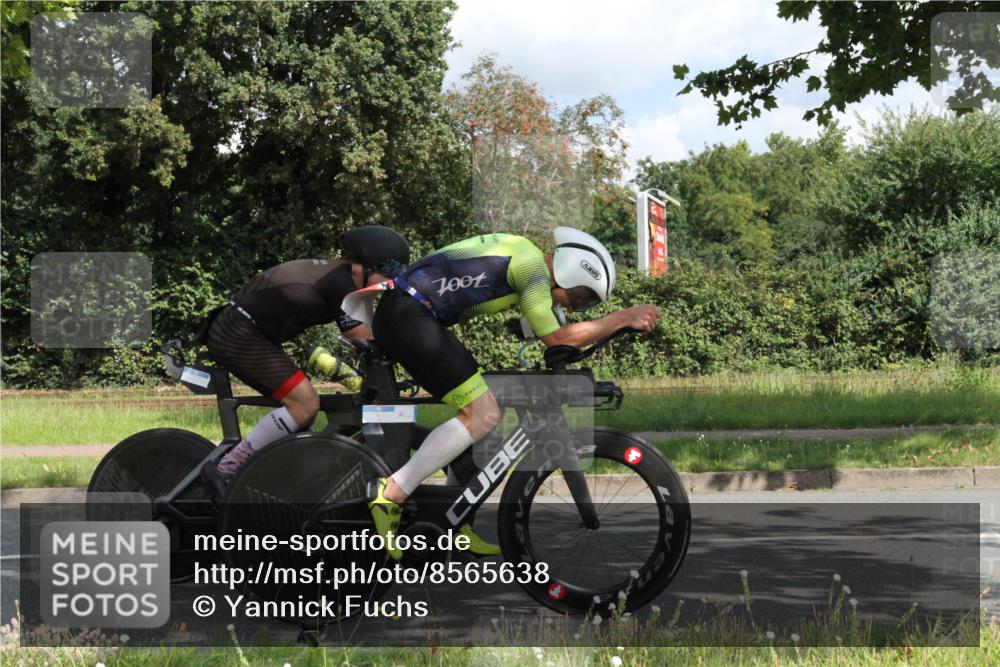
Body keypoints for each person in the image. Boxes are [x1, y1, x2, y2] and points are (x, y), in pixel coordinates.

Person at [361, 228, 661, 559]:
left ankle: (454, 517)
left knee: (488, 412)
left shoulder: (525, 261)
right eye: (582, 298)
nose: (578, 308)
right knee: (483, 413)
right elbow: (558, 339)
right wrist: (621, 318)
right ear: (570, 272)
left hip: (410, 314)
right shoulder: (531, 268)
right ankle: (391, 494)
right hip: (409, 317)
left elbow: (544, 332)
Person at [204, 225, 409, 482]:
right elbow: (360, 335)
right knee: (304, 404)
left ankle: (275, 477)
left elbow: (372, 339)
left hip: (249, 330)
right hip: (236, 332)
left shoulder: (351, 281)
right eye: (387, 276)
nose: (389, 285)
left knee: (300, 419)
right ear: (363, 267)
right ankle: (227, 468)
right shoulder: (342, 282)